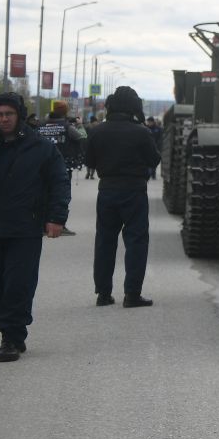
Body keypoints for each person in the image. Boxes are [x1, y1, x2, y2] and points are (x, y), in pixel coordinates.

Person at [0, 92, 71, 362]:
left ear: (19, 116)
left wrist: (56, 217)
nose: (4, 119)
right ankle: (8, 330)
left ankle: (12, 338)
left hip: (25, 227)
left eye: (9, 114)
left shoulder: (40, 147)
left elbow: (59, 182)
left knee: (18, 284)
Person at [88, 86, 162, 308]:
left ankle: (103, 293)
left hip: (107, 190)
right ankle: (132, 294)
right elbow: (154, 160)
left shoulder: (98, 131)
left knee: (104, 241)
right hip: (134, 191)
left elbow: (89, 162)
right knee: (136, 241)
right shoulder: (141, 132)